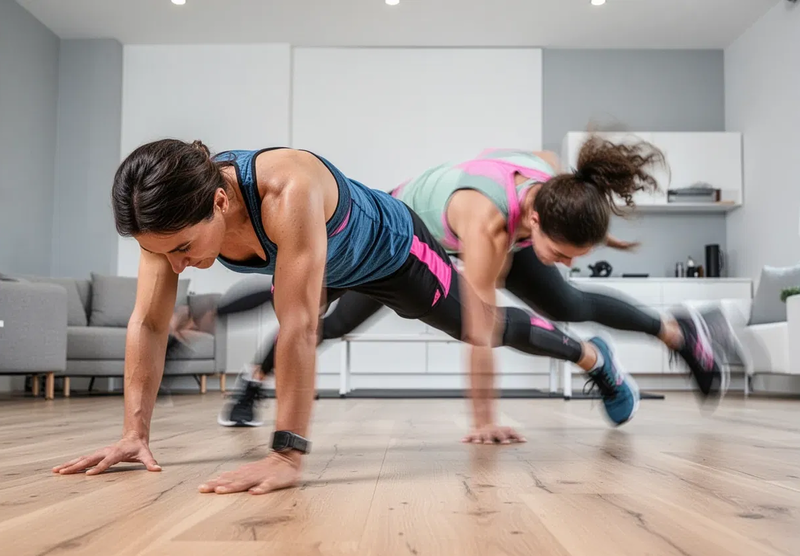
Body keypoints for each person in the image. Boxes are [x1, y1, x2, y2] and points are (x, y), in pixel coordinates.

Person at [53, 138, 643, 495]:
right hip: (326, 262)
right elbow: (150, 323)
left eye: (182, 247)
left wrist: (286, 454)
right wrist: (135, 433)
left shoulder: (287, 190)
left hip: (393, 252)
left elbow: (299, 325)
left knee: (480, 324)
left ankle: (592, 355)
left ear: (221, 200)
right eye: (161, 252)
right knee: (296, 312)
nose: (175, 264)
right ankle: (246, 392)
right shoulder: (160, 220)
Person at [221, 139, 731, 439]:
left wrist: (562, 243)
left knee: (568, 300)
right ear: (534, 216)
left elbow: (538, 155)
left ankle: (678, 333)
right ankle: (254, 379)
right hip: (397, 242)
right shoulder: (486, 223)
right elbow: (478, 326)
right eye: (564, 251)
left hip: (497, 230)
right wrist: (486, 419)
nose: (571, 261)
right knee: (324, 317)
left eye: (578, 254)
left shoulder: (557, 187)